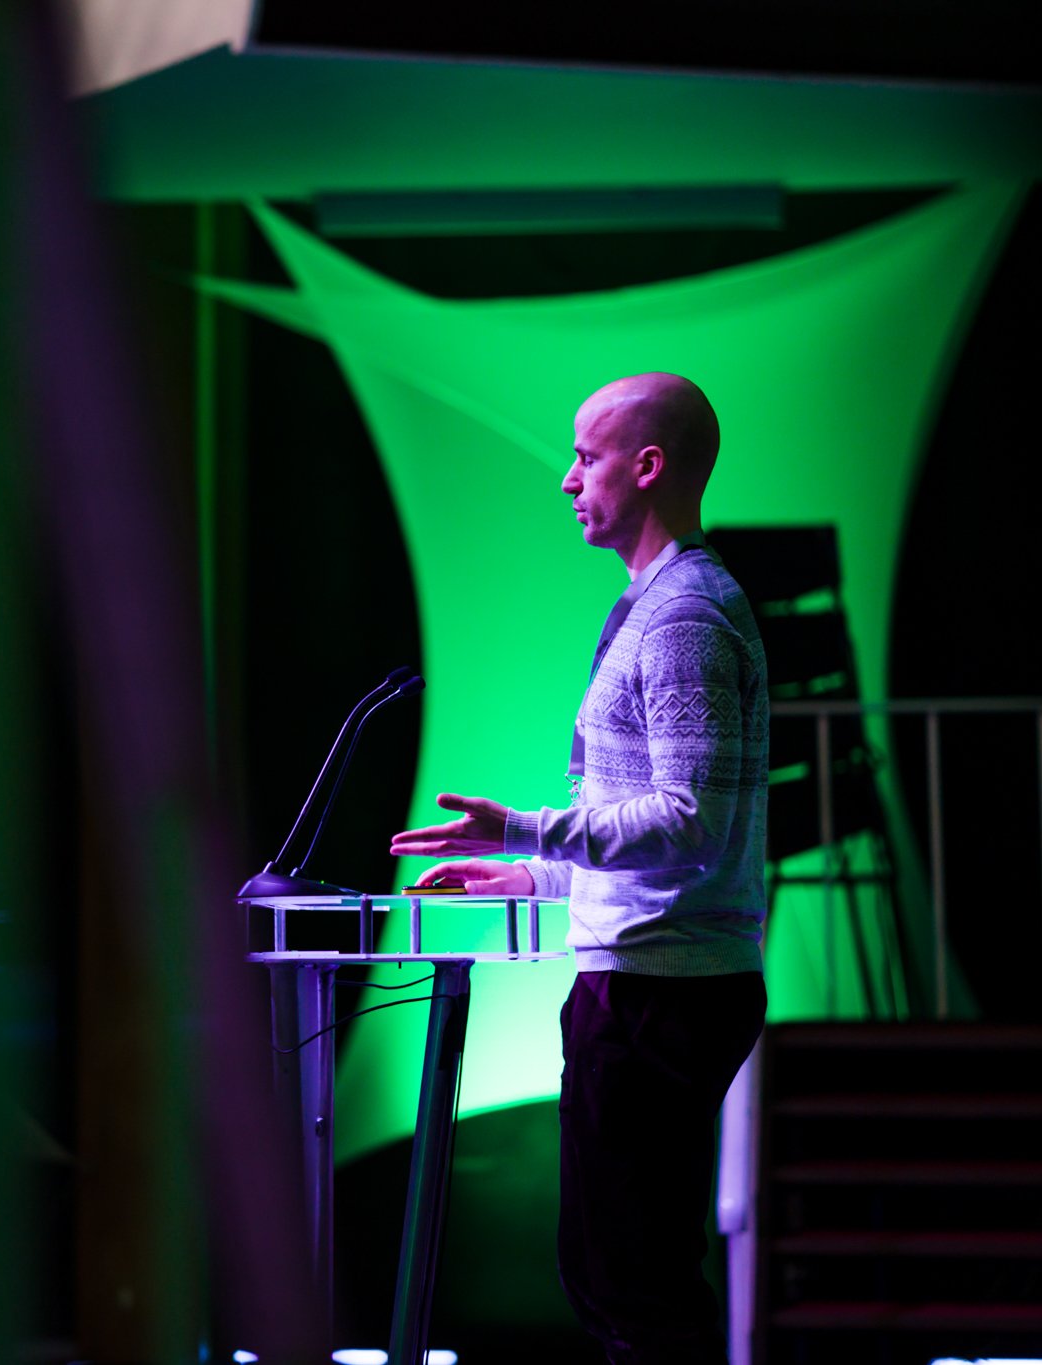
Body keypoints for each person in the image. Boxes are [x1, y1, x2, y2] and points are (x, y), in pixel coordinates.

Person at [390, 374, 768, 1363]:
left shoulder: (682, 615)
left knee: (631, 1286)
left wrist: (523, 830)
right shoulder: (646, 608)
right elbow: (642, 830)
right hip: (642, 984)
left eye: (585, 457)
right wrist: (527, 879)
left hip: (660, 996)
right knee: (609, 1276)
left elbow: (689, 822)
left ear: (645, 468)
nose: (566, 481)